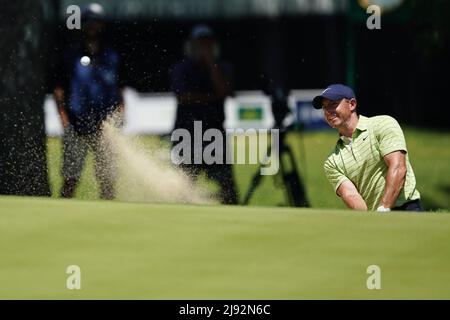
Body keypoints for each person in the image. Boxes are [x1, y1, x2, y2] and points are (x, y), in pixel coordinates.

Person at [313, 84, 422, 212]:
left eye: (332, 104)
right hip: (375, 219)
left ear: (352, 104)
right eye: (324, 107)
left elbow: (398, 168)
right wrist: (369, 220)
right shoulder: (331, 162)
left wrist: (384, 208)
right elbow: (351, 195)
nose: (327, 111)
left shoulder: (383, 124)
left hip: (407, 210)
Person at [53, 3, 124, 199]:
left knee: (107, 181)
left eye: (96, 22)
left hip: (105, 127)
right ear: (82, 25)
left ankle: (110, 224)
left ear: (102, 25)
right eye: (88, 23)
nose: (92, 27)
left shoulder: (112, 56)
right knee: (70, 180)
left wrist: (118, 117)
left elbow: (120, 89)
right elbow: (59, 89)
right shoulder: (70, 55)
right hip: (76, 125)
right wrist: (64, 120)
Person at [170, 25, 238, 204]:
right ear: (191, 45)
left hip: (214, 135)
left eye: (207, 44)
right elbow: (183, 97)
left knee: (228, 191)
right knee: (184, 188)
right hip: (186, 134)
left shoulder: (223, 67)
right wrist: (213, 97)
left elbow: (225, 90)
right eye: (200, 44)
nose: (204, 47)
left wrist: (210, 64)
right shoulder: (181, 68)